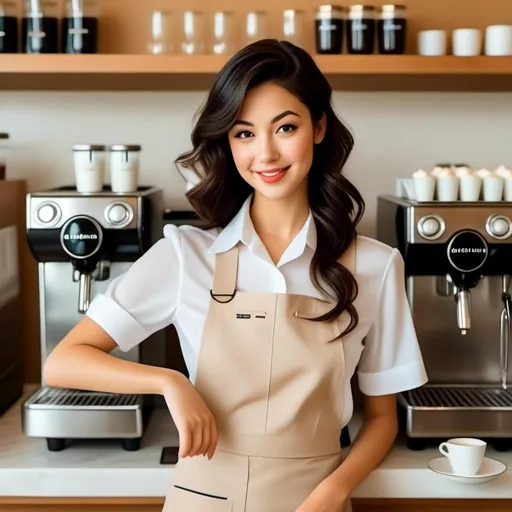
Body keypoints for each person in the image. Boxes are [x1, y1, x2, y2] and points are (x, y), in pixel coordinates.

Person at [44, 39, 428, 512]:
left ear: (319, 127)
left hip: (314, 499)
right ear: (227, 141)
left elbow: (382, 419)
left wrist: (331, 493)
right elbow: (63, 361)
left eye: (285, 127)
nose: (265, 153)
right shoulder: (186, 255)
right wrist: (170, 382)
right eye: (244, 133)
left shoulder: (375, 265)